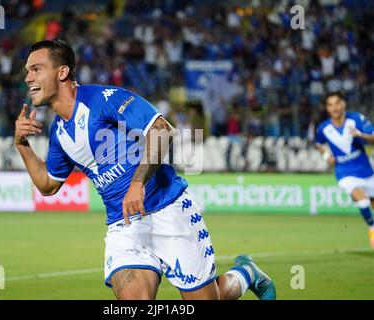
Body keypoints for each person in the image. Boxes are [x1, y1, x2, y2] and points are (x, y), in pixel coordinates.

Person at [15, 39, 276, 300]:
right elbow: (48, 185)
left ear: (62, 72)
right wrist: (21, 144)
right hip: (124, 224)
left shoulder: (104, 99)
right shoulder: (60, 133)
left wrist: (137, 182)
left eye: (36, 69)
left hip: (168, 209)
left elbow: (162, 130)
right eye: (27, 71)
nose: (28, 77)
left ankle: (245, 274)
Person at [316, 91, 374, 248]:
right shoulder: (323, 128)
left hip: (366, 171)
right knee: (361, 198)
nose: (334, 107)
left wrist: (361, 135)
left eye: (336, 103)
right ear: (327, 108)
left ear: (343, 104)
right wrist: (326, 155)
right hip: (344, 172)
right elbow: (318, 143)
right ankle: (371, 228)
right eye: (330, 105)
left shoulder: (356, 119)